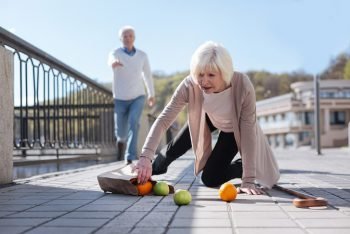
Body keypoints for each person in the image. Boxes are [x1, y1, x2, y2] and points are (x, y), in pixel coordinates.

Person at [134, 41, 280, 195]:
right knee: (173, 149)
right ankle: (148, 170)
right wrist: (145, 156)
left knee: (210, 178)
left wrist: (248, 179)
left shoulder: (242, 85)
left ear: (224, 73)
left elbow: (248, 132)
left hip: (234, 128)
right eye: (200, 74)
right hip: (208, 117)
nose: (204, 81)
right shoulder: (190, 84)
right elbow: (164, 119)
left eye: (211, 75)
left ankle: (242, 167)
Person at [108, 25, 155, 165]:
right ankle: (120, 143)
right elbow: (110, 59)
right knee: (121, 133)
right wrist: (113, 63)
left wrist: (151, 94)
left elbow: (147, 75)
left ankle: (130, 156)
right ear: (120, 38)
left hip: (138, 96)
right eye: (125, 36)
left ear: (134, 38)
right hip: (120, 97)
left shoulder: (142, 55)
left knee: (134, 122)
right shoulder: (115, 53)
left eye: (130, 36)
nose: (127, 38)